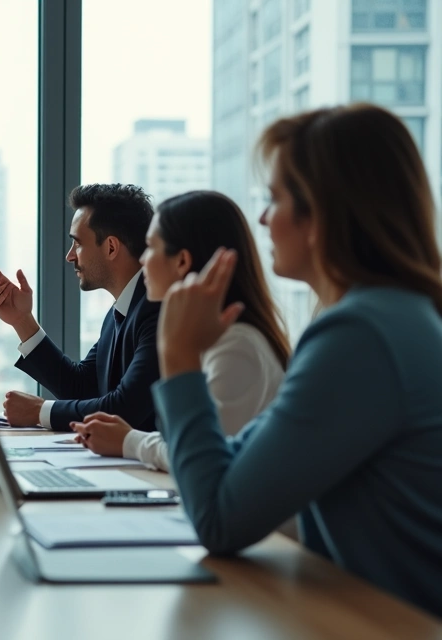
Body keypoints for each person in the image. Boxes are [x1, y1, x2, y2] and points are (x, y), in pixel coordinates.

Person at [153, 104, 442, 616]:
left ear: (322, 215)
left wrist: (179, 359)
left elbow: (219, 519)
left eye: (275, 199)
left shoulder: (361, 335)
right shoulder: (391, 317)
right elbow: (239, 458)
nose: (262, 218)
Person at [70, 191, 290, 470]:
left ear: (182, 262)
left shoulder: (236, 345)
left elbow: (197, 457)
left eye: (150, 248)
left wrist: (129, 441)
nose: (142, 260)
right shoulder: (219, 341)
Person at [0, 184, 161, 432]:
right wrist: (22, 320)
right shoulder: (121, 311)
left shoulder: (157, 309)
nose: (70, 256)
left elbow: (125, 408)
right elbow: (79, 386)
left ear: (111, 247)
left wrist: (39, 411)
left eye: (77, 244)